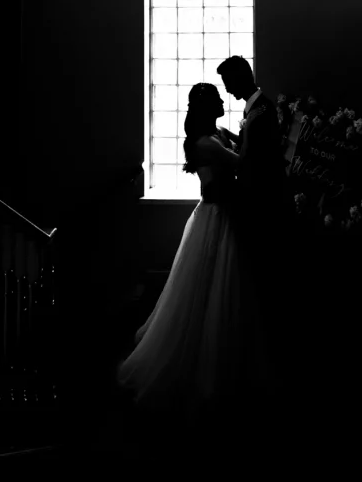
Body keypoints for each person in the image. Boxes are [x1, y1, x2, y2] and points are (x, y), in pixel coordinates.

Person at [115, 82, 269, 428]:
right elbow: (243, 162)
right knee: (211, 291)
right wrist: (253, 124)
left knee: (222, 291)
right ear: (205, 108)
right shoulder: (205, 143)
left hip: (224, 215)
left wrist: (248, 126)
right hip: (217, 218)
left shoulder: (215, 132)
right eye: (216, 99)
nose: (221, 101)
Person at [217, 55, 296, 404]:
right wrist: (231, 137)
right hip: (258, 200)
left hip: (262, 205)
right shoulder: (256, 109)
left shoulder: (262, 110)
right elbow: (252, 151)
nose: (227, 89)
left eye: (228, 82)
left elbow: (257, 160)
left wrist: (224, 148)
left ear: (241, 78)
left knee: (263, 273)